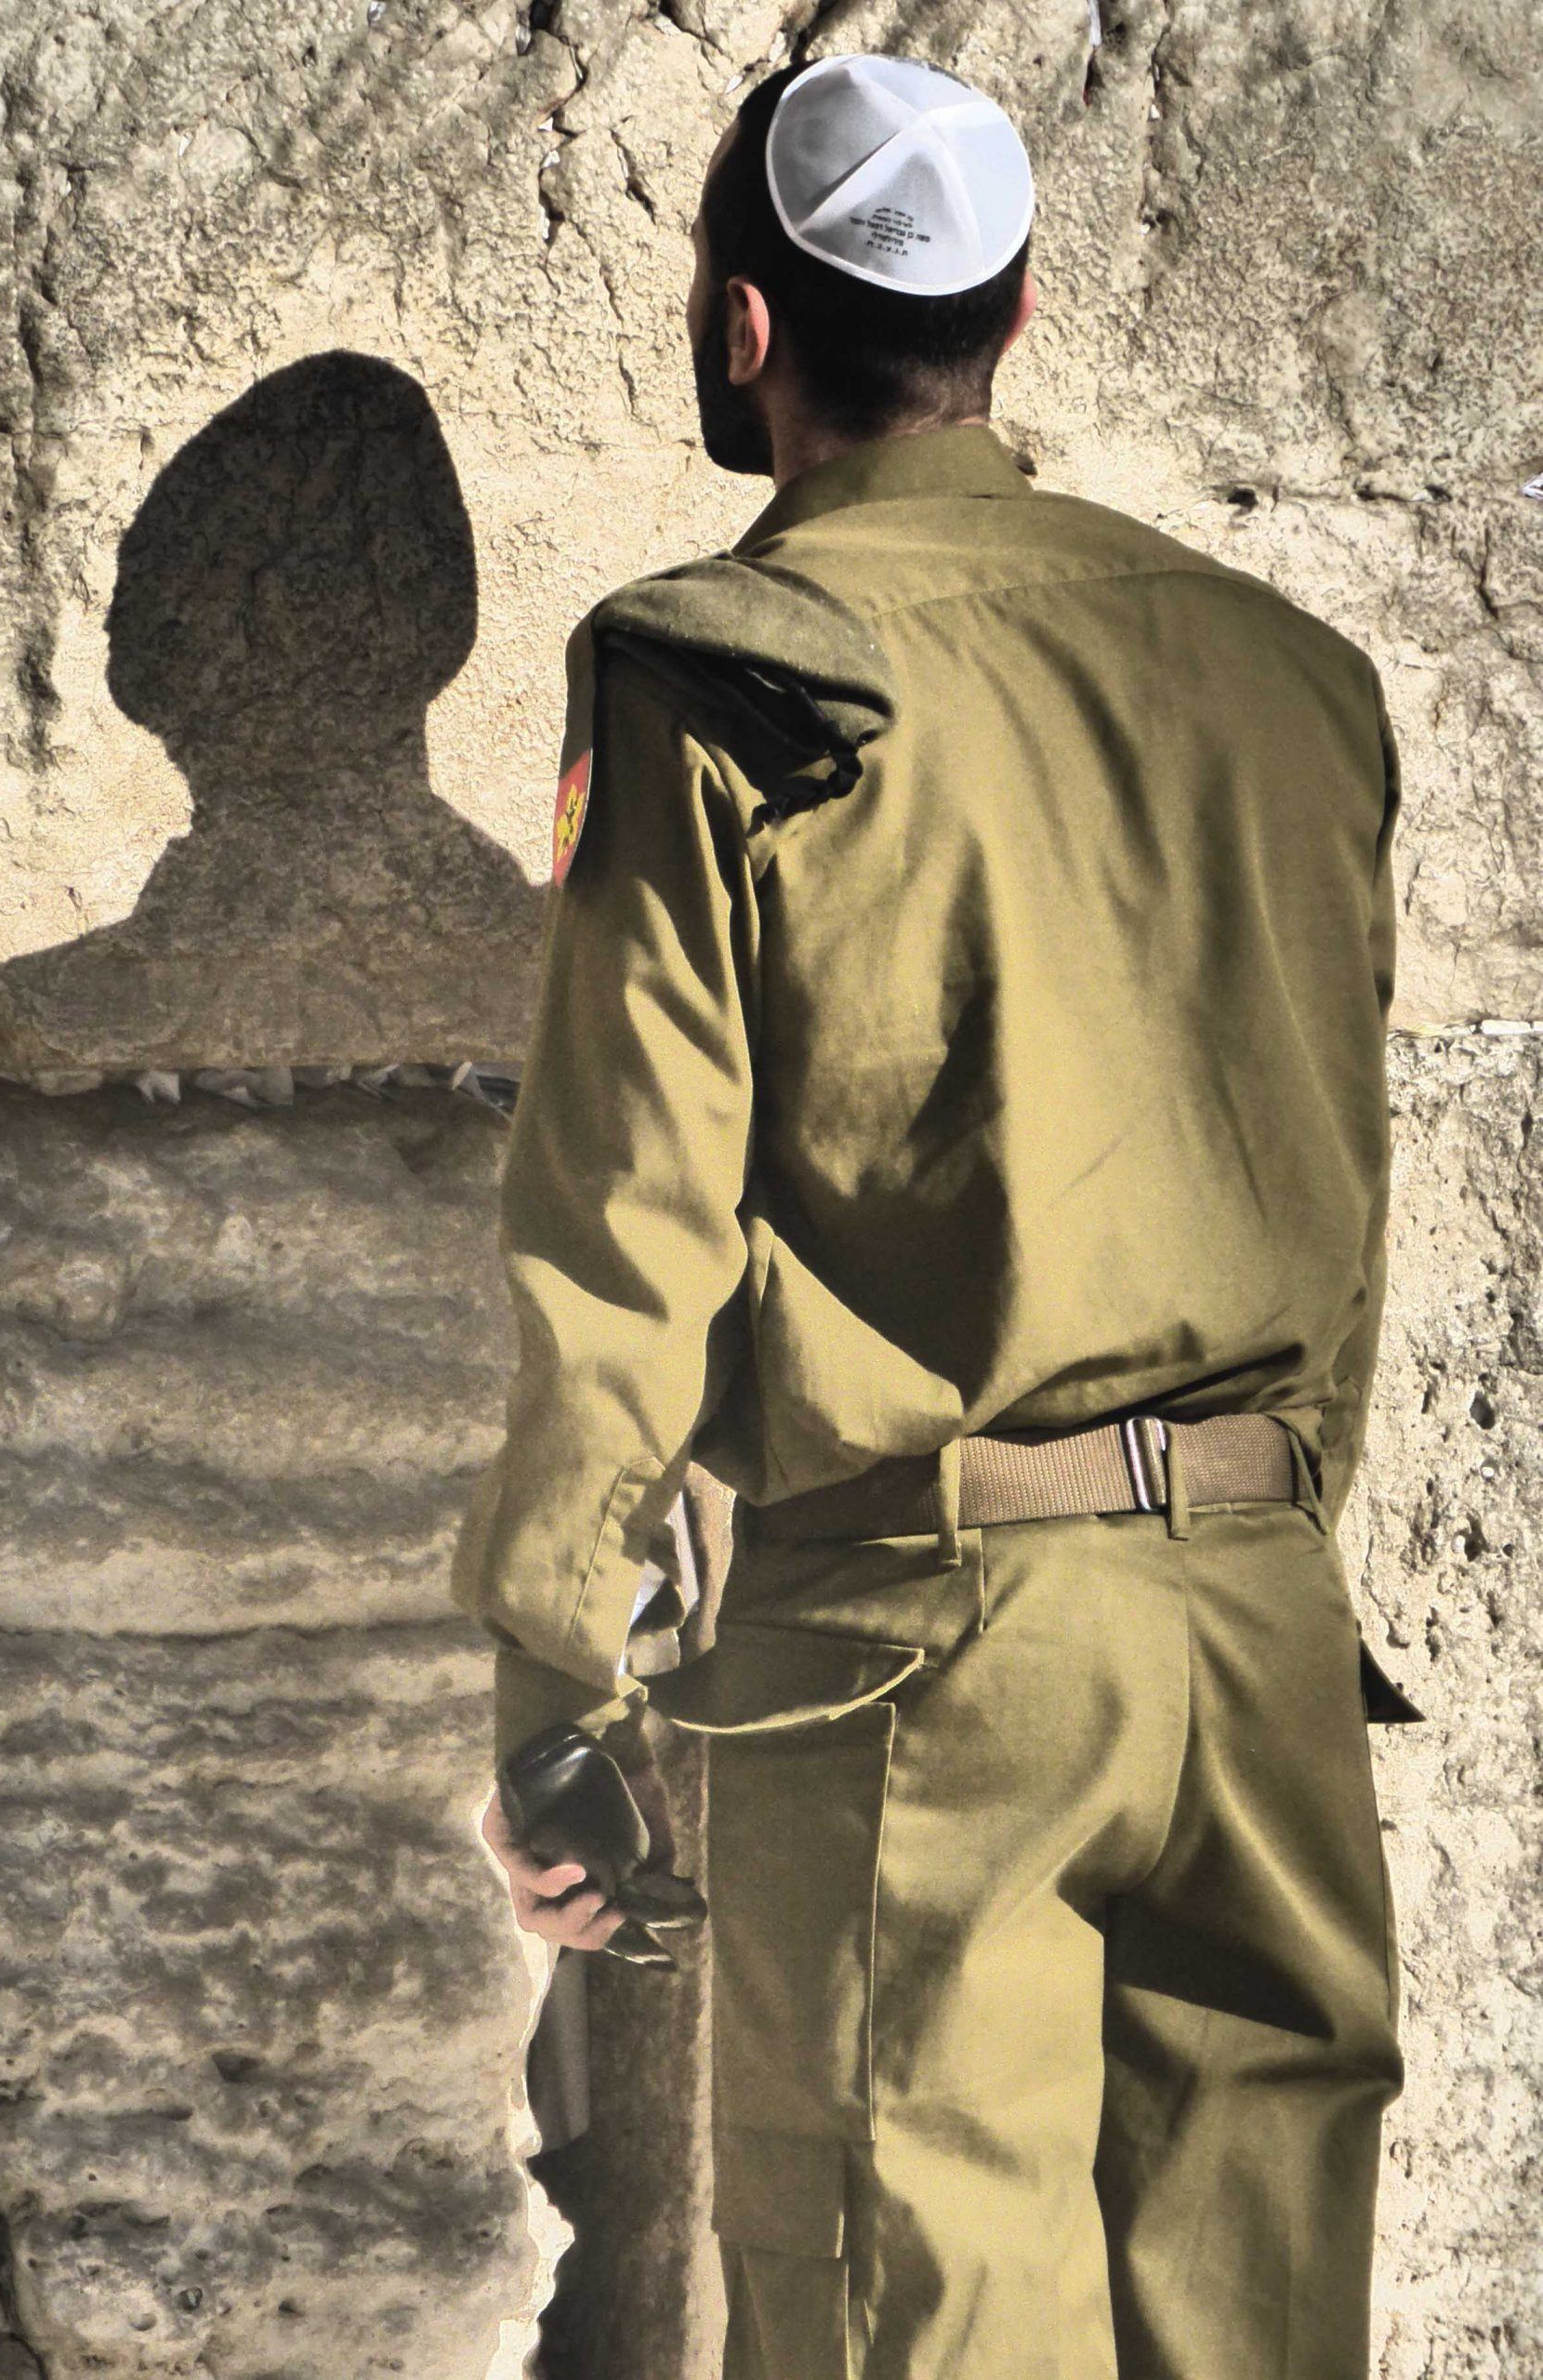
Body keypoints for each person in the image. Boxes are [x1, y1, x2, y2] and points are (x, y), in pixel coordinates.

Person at [454, 48, 1418, 2380]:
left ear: (748, 329)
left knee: (909, 2327)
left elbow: (629, 1226)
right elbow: (1338, 1171)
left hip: (929, 1643)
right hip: (1261, 1643)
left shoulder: (729, 679)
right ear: (1012, 314)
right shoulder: (1295, 679)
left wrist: (554, 1678)